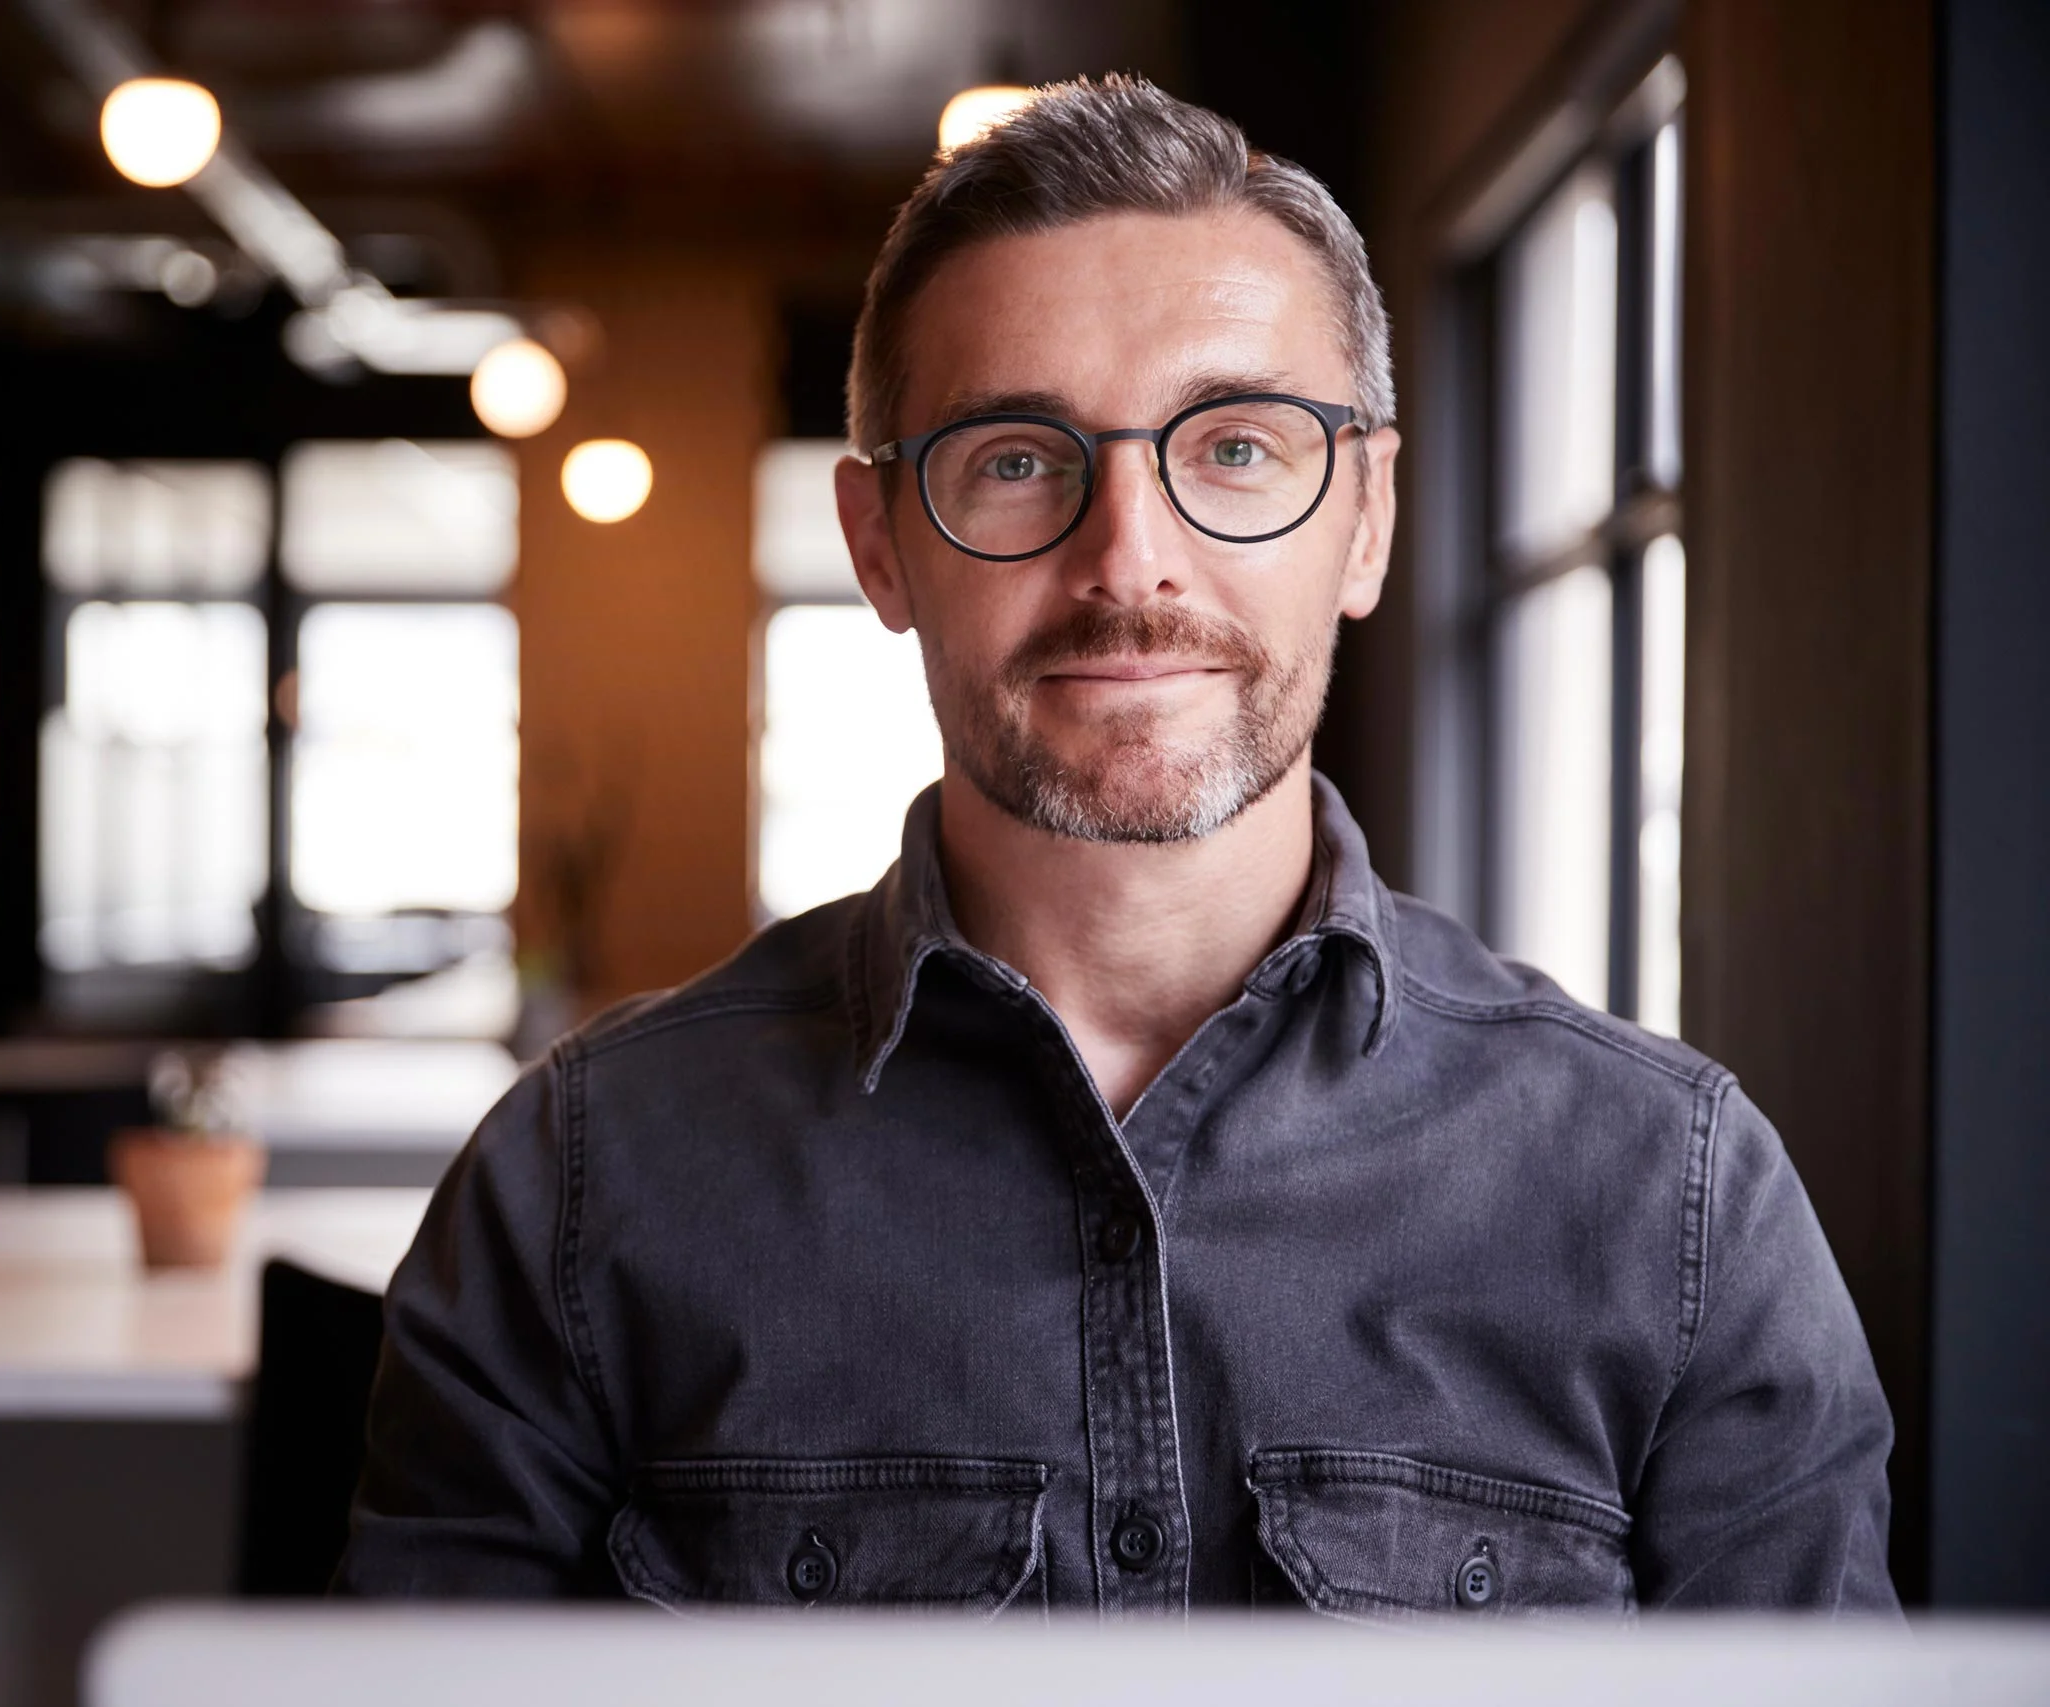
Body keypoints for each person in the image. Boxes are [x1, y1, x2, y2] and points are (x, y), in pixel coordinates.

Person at [339, 75, 1896, 1614]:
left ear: (1363, 519)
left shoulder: (1674, 1196)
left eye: (1233, 448)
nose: (1128, 559)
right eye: (1017, 457)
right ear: (880, 544)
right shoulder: (581, 1183)